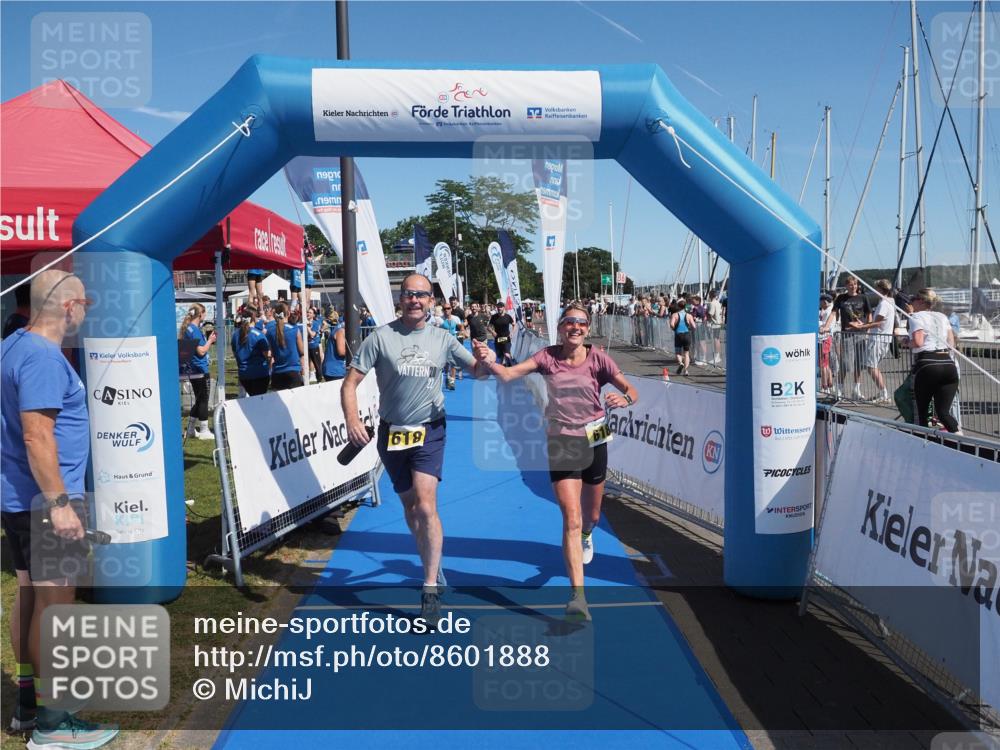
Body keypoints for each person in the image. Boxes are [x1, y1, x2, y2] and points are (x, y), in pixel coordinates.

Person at [1, 270, 118, 748]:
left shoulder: (12, 345)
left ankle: (29, 704)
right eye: (85, 303)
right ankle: (54, 723)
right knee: (57, 609)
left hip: (19, 498)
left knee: (31, 597)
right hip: (46, 501)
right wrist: (60, 505)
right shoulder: (43, 357)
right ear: (68, 307)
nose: (87, 311)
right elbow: (36, 434)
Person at [340, 274, 490, 626]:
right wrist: (351, 419)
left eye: (422, 295)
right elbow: (350, 383)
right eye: (409, 294)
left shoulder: (442, 338)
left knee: (426, 504)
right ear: (401, 299)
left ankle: (429, 588)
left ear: (431, 302)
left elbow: (479, 373)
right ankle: (431, 561)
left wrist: (486, 359)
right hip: (392, 433)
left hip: (430, 430)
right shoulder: (380, 337)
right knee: (411, 508)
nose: (415, 300)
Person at [473, 303, 638, 622]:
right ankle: (578, 597)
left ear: (587, 329)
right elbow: (508, 375)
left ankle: (588, 535)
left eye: (581, 323)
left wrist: (626, 398)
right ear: (561, 327)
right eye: (569, 322)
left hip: (594, 439)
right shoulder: (546, 356)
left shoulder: (599, 358)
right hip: (561, 441)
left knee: (590, 515)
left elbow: (630, 389)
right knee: (571, 517)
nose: (575, 327)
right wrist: (491, 361)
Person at [908, 289, 960, 433]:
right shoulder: (942, 316)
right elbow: (951, 342)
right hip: (948, 364)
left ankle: (922, 443)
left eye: (914, 299)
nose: (911, 302)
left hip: (927, 364)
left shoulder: (915, 317)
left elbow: (918, 342)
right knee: (943, 413)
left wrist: (905, 342)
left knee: (922, 412)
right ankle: (960, 438)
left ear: (921, 301)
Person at [849, 279, 894, 403]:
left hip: (878, 339)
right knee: (872, 366)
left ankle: (884, 393)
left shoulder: (884, 303)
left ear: (879, 289)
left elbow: (878, 323)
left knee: (870, 366)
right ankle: (883, 392)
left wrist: (861, 326)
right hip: (883, 339)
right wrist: (863, 324)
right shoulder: (890, 301)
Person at [178, 303, 217, 439]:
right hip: (199, 369)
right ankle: (204, 430)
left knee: (200, 398)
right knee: (203, 399)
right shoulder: (193, 330)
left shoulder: (189, 329)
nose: (205, 316)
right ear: (200, 314)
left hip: (194, 368)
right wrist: (210, 340)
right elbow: (201, 351)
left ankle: (190, 429)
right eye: (204, 313)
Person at [832, 276, 872, 399]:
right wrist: (827, 325)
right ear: (846, 286)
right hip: (847, 334)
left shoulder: (863, 297)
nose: (853, 286)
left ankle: (856, 389)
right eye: (850, 284)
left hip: (860, 334)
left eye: (855, 284)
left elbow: (869, 313)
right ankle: (839, 388)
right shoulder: (841, 298)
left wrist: (868, 329)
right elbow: (834, 312)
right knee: (845, 363)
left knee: (858, 363)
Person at [231, 306, 270, 397]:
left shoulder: (235, 334)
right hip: (259, 374)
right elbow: (266, 355)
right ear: (253, 318)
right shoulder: (258, 334)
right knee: (259, 402)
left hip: (244, 375)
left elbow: (235, 353)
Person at [267, 302, 304, 390]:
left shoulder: (270, 331)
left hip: (277, 373)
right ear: (288, 313)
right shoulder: (295, 329)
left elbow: (270, 354)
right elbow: (302, 351)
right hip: (293, 371)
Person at [669, 301, 695, 375]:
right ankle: (686, 370)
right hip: (686, 335)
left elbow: (671, 324)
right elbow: (694, 326)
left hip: (678, 334)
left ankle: (681, 363)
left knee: (678, 352)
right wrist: (689, 328)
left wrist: (674, 329)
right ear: (685, 306)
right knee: (686, 353)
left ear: (678, 306)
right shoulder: (689, 315)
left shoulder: (675, 315)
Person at [818, 294, 836, 394]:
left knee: (823, 363)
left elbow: (826, 325)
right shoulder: (826, 310)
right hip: (825, 338)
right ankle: (829, 384)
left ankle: (824, 386)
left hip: (824, 338)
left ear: (824, 302)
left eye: (820, 302)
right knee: (825, 363)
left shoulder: (829, 311)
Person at [322, 311, 347, 381]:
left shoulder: (340, 328)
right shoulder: (341, 330)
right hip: (335, 370)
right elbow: (341, 352)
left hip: (335, 369)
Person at [306, 307, 323, 383]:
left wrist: (308, 328)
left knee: (317, 363)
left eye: (310, 313)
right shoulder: (303, 322)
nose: (308, 314)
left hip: (314, 346)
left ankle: (319, 379)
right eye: (308, 312)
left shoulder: (316, 323)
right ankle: (306, 378)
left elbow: (312, 334)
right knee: (305, 363)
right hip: (305, 346)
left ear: (313, 315)